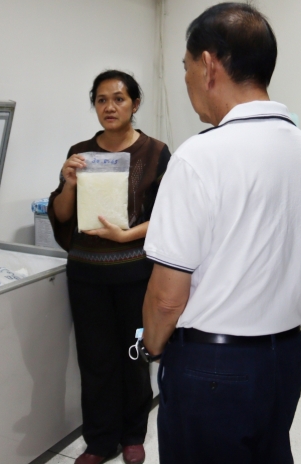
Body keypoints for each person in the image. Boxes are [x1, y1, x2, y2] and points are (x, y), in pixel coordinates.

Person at [139, 3, 301, 463]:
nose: (186, 79)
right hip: (285, 356)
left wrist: (151, 347)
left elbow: (167, 298)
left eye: (186, 66)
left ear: (208, 65)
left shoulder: (199, 157)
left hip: (213, 368)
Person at [48, 70, 171, 464]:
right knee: (95, 360)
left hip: (135, 275)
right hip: (86, 275)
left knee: (134, 355)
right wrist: (69, 183)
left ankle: (133, 434)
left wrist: (127, 235)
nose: (110, 107)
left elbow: (168, 216)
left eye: (119, 98)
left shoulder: (156, 152)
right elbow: (61, 215)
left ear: (135, 104)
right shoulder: (81, 152)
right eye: (101, 100)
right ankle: (99, 441)